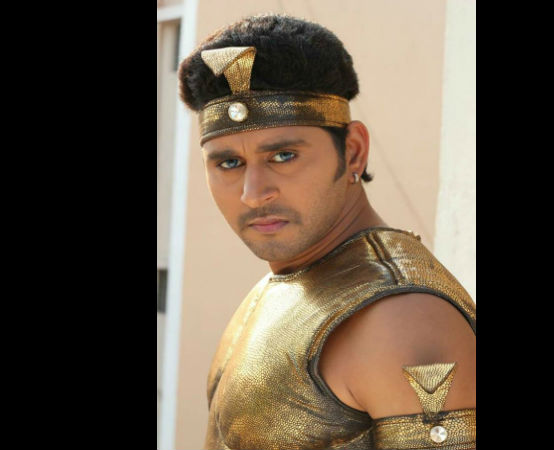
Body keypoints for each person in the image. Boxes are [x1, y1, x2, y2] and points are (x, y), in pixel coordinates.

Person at [178, 13, 475, 449]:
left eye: (283, 155)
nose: (253, 194)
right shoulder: (290, 279)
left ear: (353, 152)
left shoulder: (400, 318)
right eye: (229, 163)